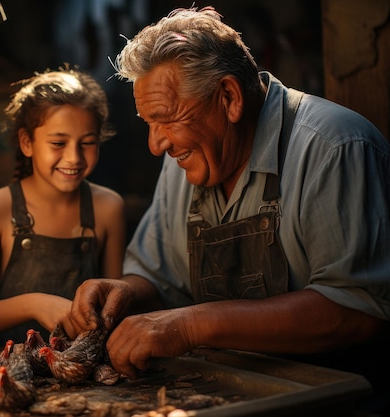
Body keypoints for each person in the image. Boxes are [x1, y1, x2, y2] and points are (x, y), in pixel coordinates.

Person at [66, 6, 390, 413]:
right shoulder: (186, 159)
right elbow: (160, 277)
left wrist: (188, 326)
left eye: (166, 119)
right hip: (227, 395)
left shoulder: (334, 147)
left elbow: (356, 310)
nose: (156, 145)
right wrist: (125, 293)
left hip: (335, 401)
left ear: (229, 98)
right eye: (149, 123)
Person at [0, 68, 126, 347]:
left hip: (83, 377)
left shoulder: (108, 208)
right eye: (58, 143)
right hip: (8, 373)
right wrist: (33, 304)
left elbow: (114, 308)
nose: (74, 157)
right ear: (26, 142)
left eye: (88, 143)